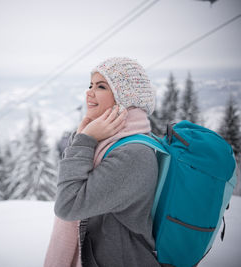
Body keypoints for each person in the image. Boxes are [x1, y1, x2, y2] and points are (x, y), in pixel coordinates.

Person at [44, 57, 160, 267]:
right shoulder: (108, 144)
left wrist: (85, 140)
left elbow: (68, 206)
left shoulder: (133, 155)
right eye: (90, 85)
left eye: (101, 86)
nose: (89, 92)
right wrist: (85, 137)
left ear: (125, 98)